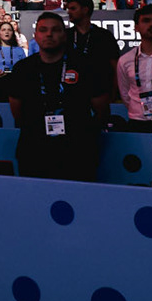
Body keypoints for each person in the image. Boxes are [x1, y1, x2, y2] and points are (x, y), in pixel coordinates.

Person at [7, 10, 106, 180]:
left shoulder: (85, 65)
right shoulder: (23, 69)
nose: (49, 34)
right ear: (35, 36)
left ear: (64, 35)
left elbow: (101, 110)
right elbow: (17, 111)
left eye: (55, 30)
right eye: (43, 30)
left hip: (77, 151)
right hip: (34, 149)